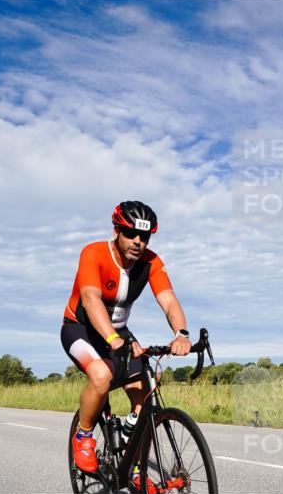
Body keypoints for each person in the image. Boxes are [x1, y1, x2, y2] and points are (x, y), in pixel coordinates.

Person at [61, 201, 192, 475]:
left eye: (144, 237)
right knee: (100, 376)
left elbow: (169, 301)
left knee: (146, 389)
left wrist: (181, 333)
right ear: (116, 230)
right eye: (131, 234)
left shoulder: (151, 262)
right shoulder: (94, 253)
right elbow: (90, 298)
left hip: (119, 333)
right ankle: (83, 435)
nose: (138, 242)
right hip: (81, 329)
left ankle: (131, 460)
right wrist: (111, 337)